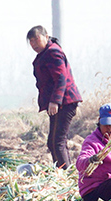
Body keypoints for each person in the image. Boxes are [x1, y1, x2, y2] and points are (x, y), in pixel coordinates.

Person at [28, 25, 82, 169]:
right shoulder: (45, 53)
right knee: (53, 142)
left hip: (64, 102)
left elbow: (61, 78)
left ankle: (66, 175)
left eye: (36, 39)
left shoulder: (52, 52)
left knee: (57, 141)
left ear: (46, 37)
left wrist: (55, 101)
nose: (33, 44)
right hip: (58, 103)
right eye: (31, 41)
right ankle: (61, 172)